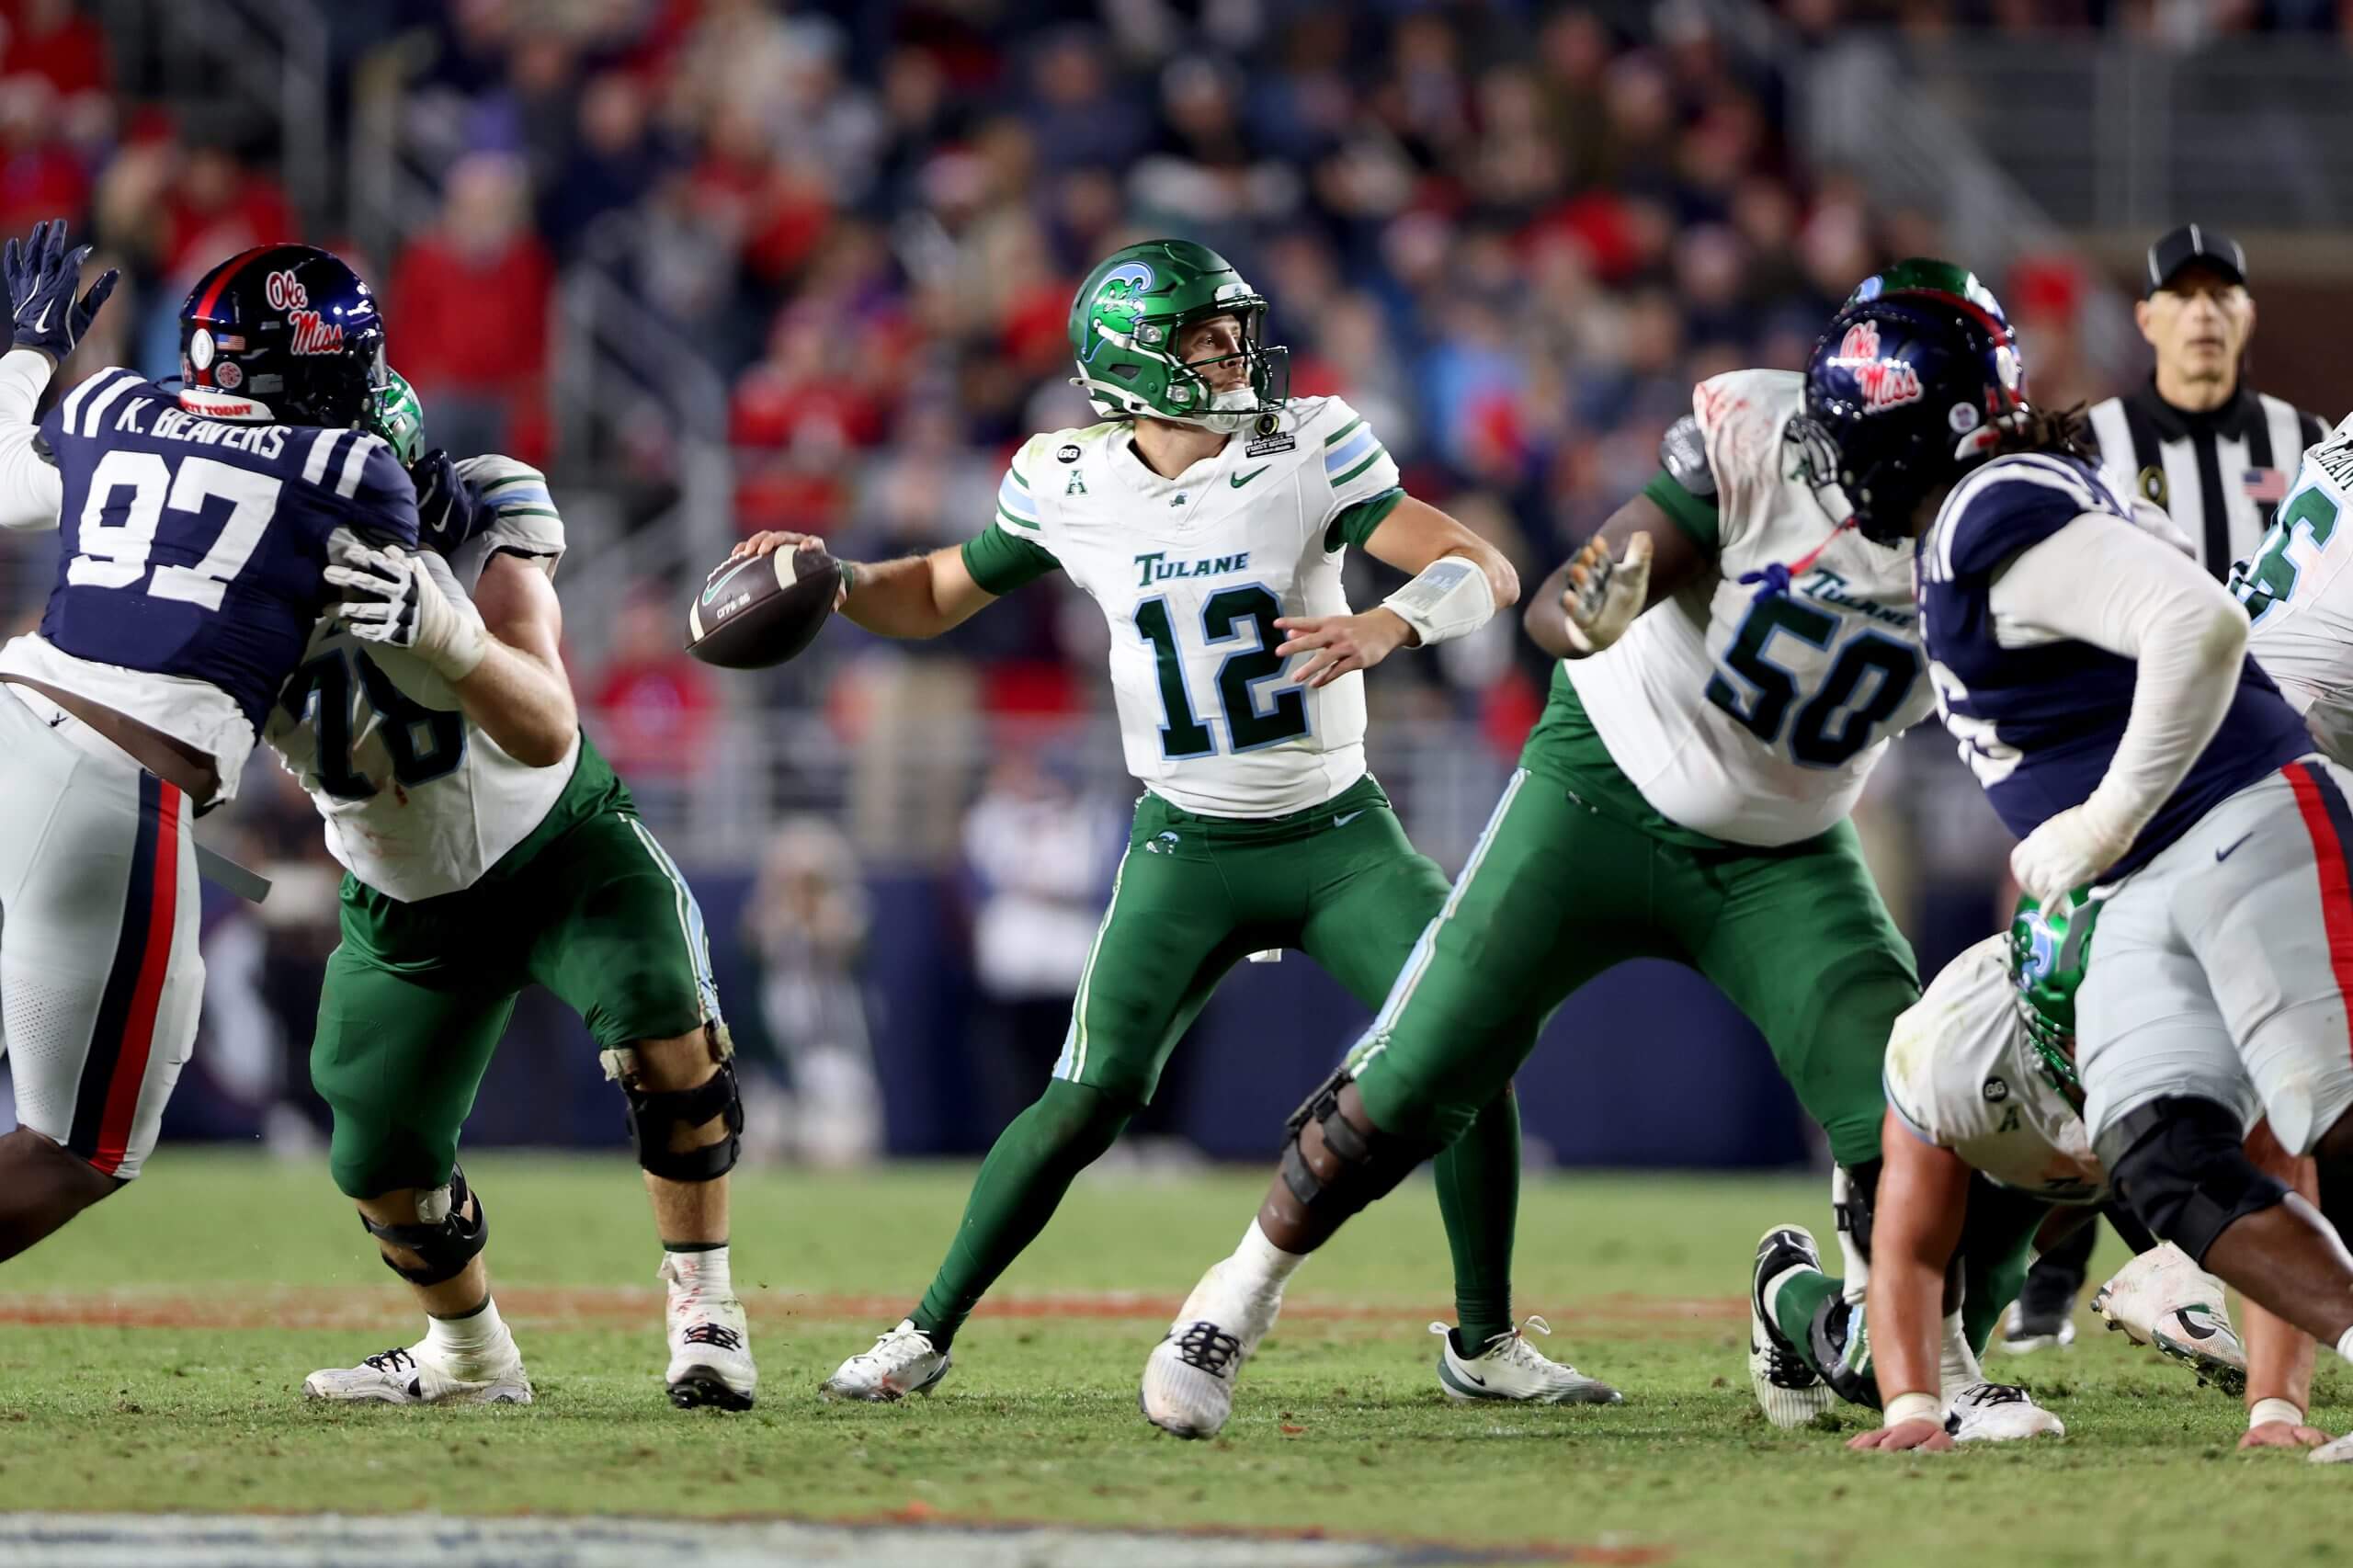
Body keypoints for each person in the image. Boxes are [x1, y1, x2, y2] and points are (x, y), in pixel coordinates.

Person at [1132, 262, 2051, 1442]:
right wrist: (1613, 587)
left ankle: (1905, 1341)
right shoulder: (1753, 437)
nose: (1963, 469)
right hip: (1602, 784)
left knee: (1919, 1106)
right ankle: (1230, 1300)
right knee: (1411, 1072)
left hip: (1783, 842)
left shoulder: (2015, 526)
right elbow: (1574, 607)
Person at [733, 239, 1615, 1410]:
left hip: (1335, 830)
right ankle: (922, 1327)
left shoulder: (1307, 444)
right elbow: (943, 588)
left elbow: (1483, 565)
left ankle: (1486, 1340)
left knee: (1469, 1044)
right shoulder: (1064, 478)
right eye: (1206, 336)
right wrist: (836, 575)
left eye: (1234, 328)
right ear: (1137, 363)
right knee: (1084, 1097)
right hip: (1184, 844)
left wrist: (1387, 627)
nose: (1235, 352)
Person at [1795, 280, 2353, 1461]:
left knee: (2332, 1111)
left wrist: (2102, 823)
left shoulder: (1985, 505)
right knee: (2166, 1160)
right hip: (2147, 883)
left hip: (2233, 818)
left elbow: (2198, 626)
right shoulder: (1989, 505)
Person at [278, 371, 755, 1411]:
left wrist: (439, 628)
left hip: (556, 840)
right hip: (399, 893)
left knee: (669, 1040)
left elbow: (544, 721)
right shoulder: (224, 573)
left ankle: (707, 1309)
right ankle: (468, 1358)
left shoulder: (485, 507)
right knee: (379, 1162)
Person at [0, 225, 415, 1259]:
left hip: (14, 709)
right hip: (108, 779)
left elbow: (10, 486)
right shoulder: (350, 469)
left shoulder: (109, 406)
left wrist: (24, 356)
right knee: (76, 1150)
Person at [2016, 225, 2333, 1347]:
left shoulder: (2305, 442)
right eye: (2180, 296)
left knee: (2257, 1037)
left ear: (2244, 316)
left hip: (2261, 761)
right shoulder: (2089, 442)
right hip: (2126, 760)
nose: (2202, 314)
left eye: (2222, 295)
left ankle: (2209, 1278)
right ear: (2144, 318)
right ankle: (2058, 1252)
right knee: (2067, 1010)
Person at [1753, 892, 2328, 1451]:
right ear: (2040, 1016)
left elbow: (2279, 1215)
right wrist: (1915, 1408)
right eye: (2092, 1038)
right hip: (1973, 1157)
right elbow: (1914, 1249)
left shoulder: (2227, 1036)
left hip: (2077, 1173)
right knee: (1881, 1366)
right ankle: (1782, 1286)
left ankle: (2161, 1269)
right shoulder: (1957, 1045)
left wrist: (2276, 1409)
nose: (2111, 1060)